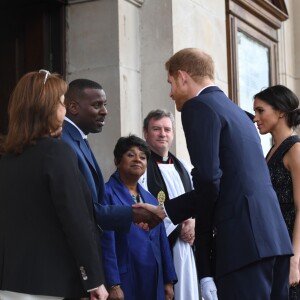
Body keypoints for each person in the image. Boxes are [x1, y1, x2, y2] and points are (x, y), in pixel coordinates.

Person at [135, 48, 293, 300]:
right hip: (274, 241)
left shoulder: (197, 107)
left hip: (242, 245)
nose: (170, 93)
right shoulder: (240, 114)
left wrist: (167, 212)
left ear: (182, 76)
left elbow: (209, 180)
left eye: (171, 83)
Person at [0, 70, 108, 300]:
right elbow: (76, 220)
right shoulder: (56, 153)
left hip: (9, 281)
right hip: (52, 284)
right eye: (61, 103)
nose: (64, 110)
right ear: (47, 109)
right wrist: (94, 279)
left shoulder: (6, 159)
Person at [61, 79, 160, 232]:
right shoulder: (64, 143)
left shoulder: (77, 139)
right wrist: (132, 213)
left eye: (104, 105)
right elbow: (79, 209)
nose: (104, 111)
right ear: (73, 107)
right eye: (96, 105)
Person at [101, 134, 177, 300]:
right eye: (130, 155)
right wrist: (113, 284)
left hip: (154, 278)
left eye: (142, 157)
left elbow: (162, 240)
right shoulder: (106, 194)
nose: (137, 160)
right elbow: (106, 242)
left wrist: (168, 280)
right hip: (126, 278)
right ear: (117, 161)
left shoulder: (151, 198)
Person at [139, 109, 199, 300]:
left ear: (173, 133)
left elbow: (202, 200)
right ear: (145, 134)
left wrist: (195, 222)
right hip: (161, 248)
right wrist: (179, 226)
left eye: (167, 129)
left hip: (189, 248)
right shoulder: (140, 169)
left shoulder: (186, 167)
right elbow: (141, 208)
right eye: (156, 129)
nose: (162, 134)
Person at [253, 85, 300, 300]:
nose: (255, 118)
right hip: (274, 246)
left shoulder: (295, 149)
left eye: (261, 111)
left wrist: (294, 260)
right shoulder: (272, 150)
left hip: (290, 251)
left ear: (281, 111)